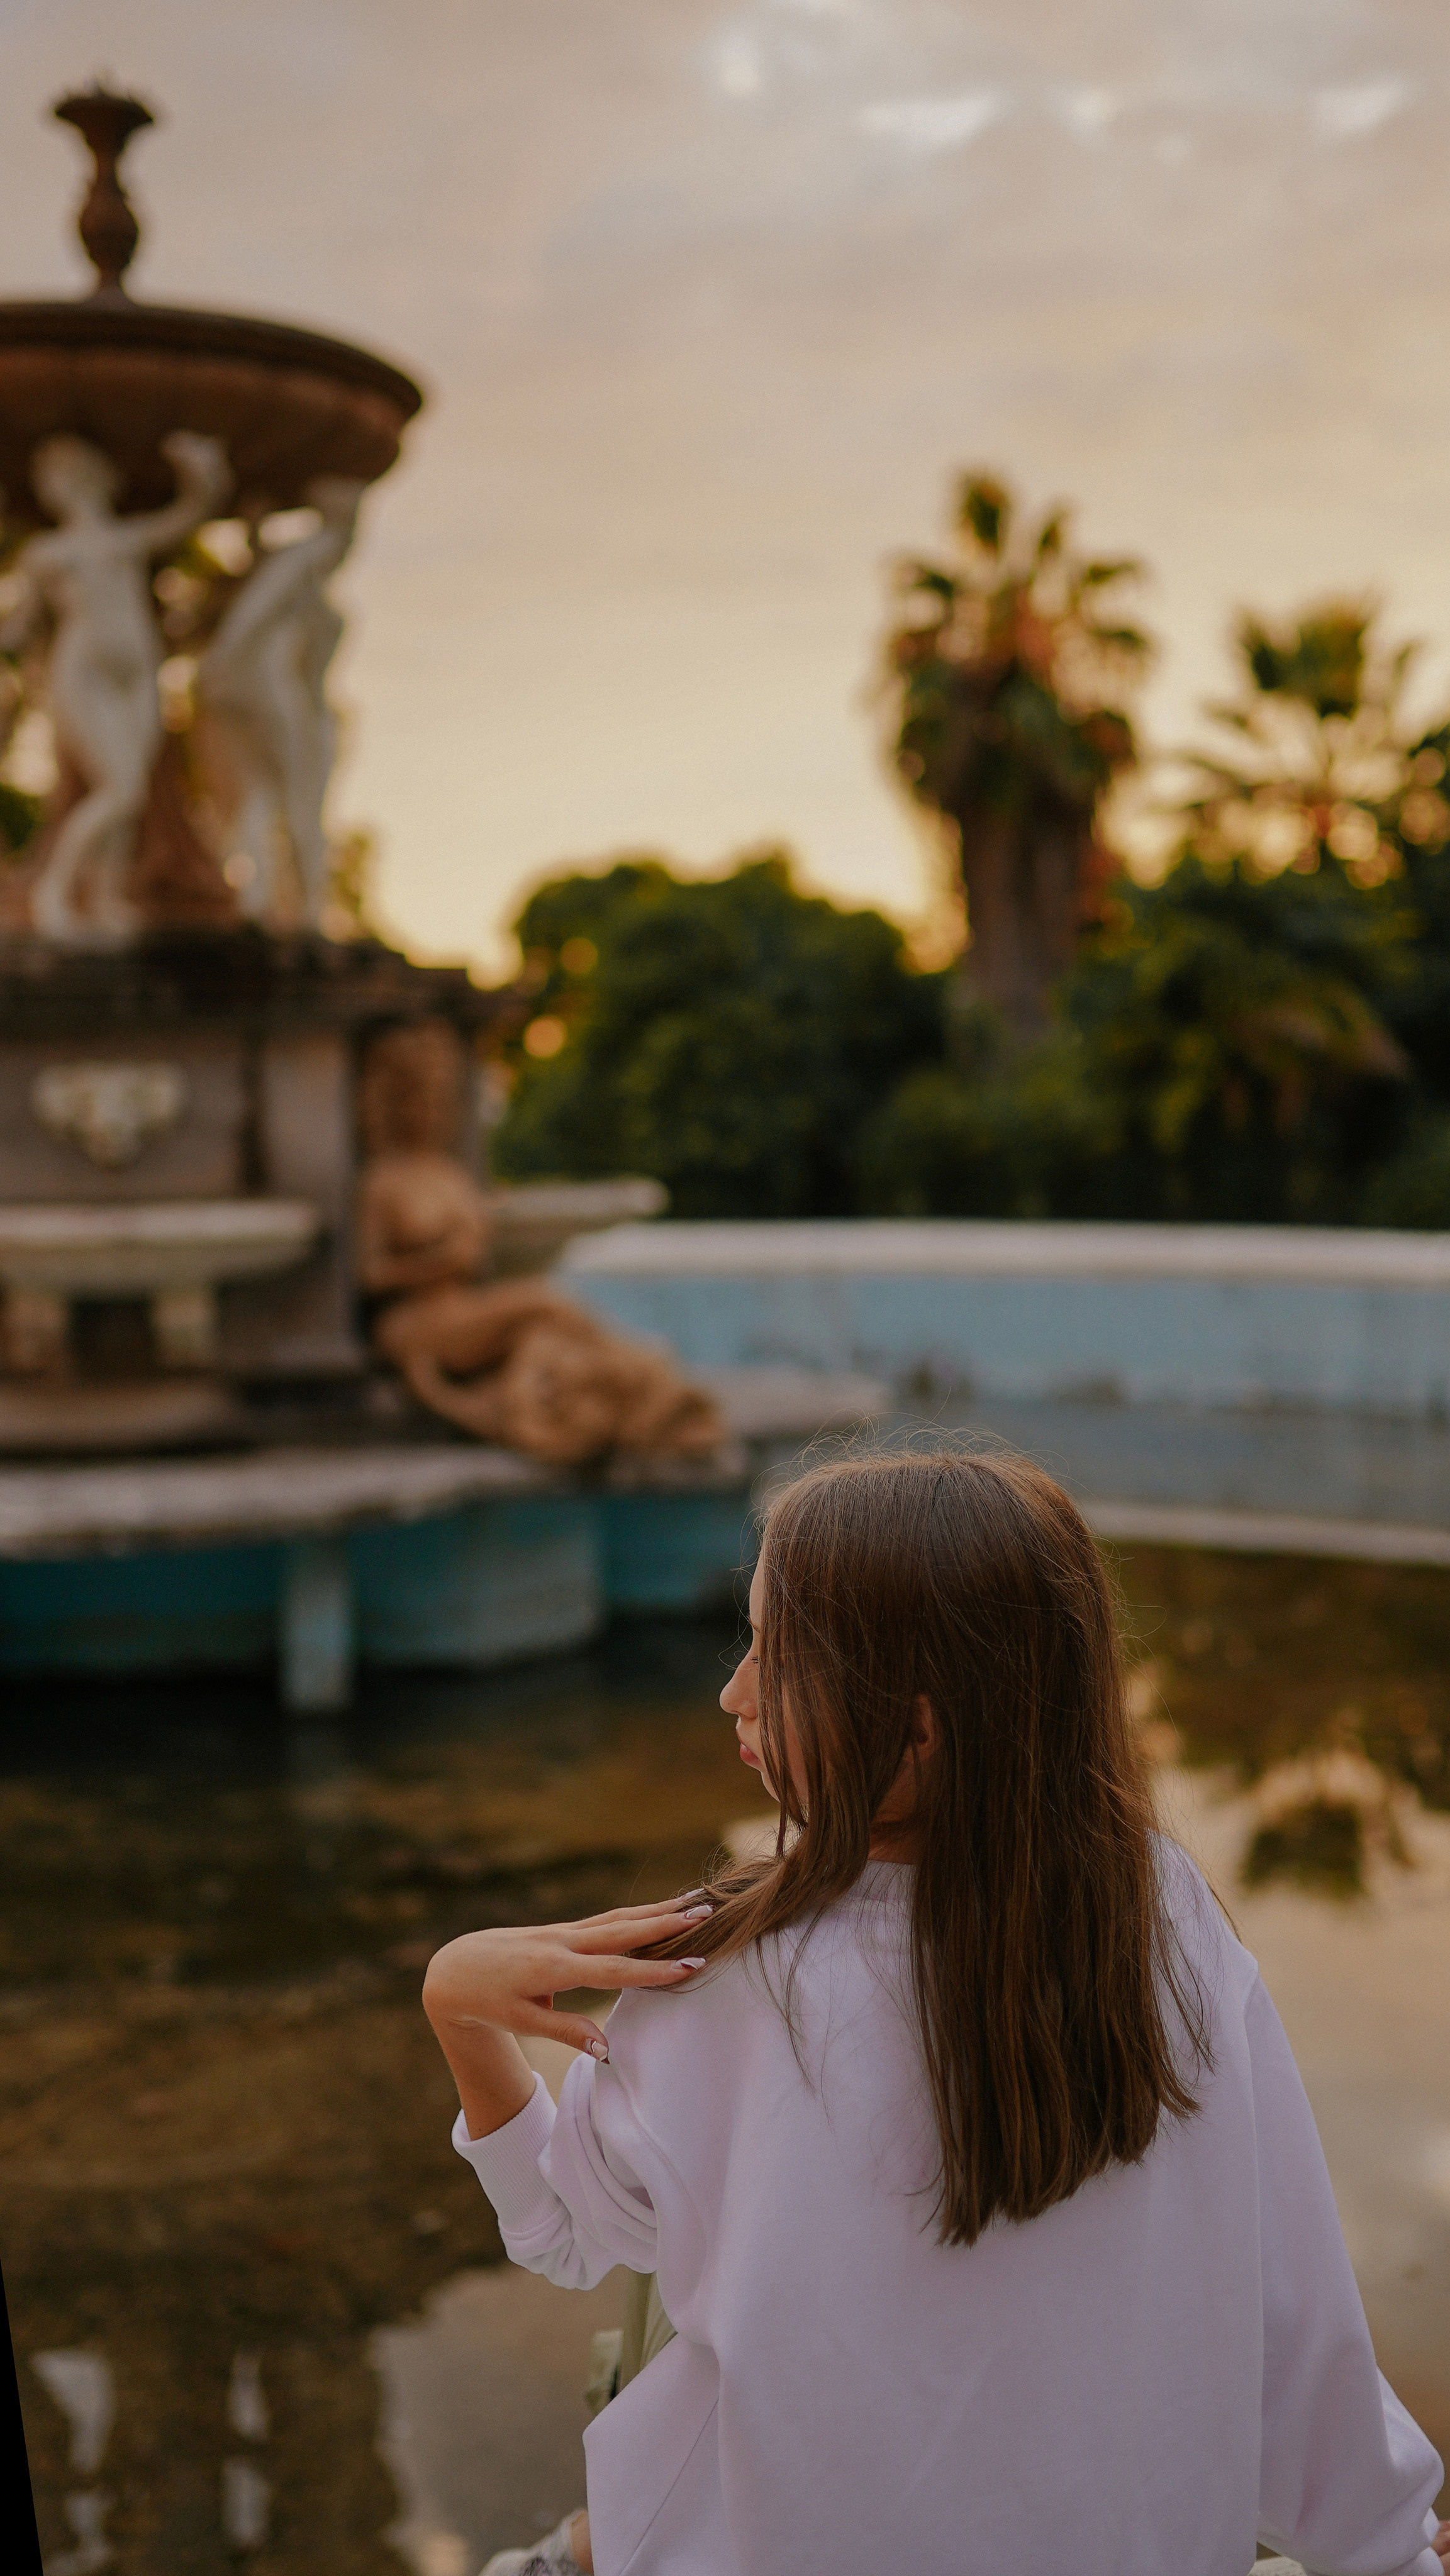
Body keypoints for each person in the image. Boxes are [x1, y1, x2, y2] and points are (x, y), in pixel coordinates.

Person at [422, 1450, 1450, 2576]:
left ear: (914, 1729)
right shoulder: (1159, 1916)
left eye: (775, 1654)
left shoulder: (724, 1983)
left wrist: (464, 2011)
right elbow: (1289, 2302)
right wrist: (1388, 2547)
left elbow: (568, 2236)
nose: (734, 1691)